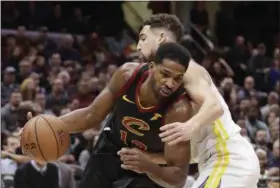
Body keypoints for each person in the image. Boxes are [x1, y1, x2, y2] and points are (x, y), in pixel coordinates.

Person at [27, 42, 193, 188]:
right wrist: (47, 126)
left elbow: (178, 177)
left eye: (177, 79)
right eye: (165, 74)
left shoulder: (178, 110)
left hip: (148, 164)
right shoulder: (127, 76)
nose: (170, 84)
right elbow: (91, 115)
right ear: (151, 67)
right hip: (110, 150)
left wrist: (149, 167)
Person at [136, 13, 260, 187]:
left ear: (161, 38)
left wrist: (189, 126)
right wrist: (144, 157)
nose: (138, 46)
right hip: (216, 163)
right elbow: (190, 154)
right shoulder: (168, 87)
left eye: (143, 38)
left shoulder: (186, 68)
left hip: (228, 160)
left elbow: (215, 107)